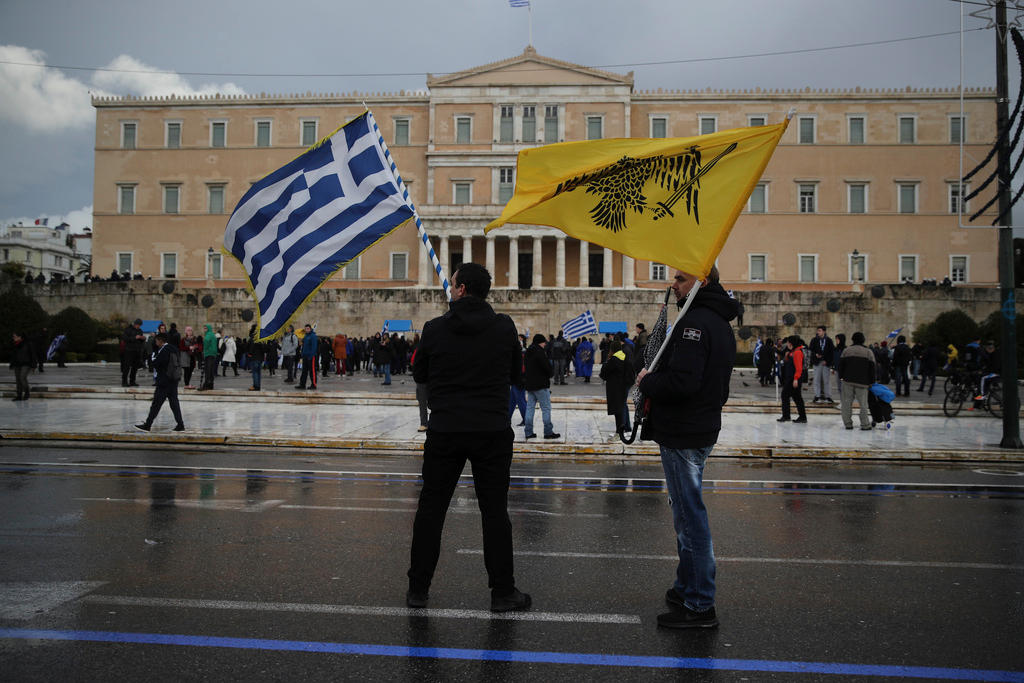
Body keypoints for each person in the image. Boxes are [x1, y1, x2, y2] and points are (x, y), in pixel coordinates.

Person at [407, 262, 530, 613]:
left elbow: (420, 372)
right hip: (490, 430)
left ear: (460, 289)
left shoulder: (434, 328)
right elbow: (515, 374)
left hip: (445, 429)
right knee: (494, 513)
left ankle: (418, 589)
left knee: (431, 510)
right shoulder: (504, 327)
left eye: (453, 283)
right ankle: (502, 592)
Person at [635, 266, 738, 629]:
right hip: (699, 427)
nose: (673, 284)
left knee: (690, 520)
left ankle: (699, 604)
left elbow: (682, 383)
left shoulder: (695, 325)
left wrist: (648, 382)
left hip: (684, 431)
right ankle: (685, 586)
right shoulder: (717, 321)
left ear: (702, 282)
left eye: (681, 279)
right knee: (684, 514)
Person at [134, 332, 185, 432]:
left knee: (156, 404)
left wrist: (154, 360)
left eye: (157, 340)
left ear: (161, 341)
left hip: (164, 381)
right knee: (174, 403)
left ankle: (148, 425)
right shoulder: (173, 348)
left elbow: (157, 364)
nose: (156, 342)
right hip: (173, 380)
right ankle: (180, 424)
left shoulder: (164, 350)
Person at [523, 333, 560, 439]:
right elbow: (547, 367)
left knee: (530, 408)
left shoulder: (528, 352)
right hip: (541, 385)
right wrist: (551, 373)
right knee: (546, 408)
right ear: (540, 342)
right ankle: (548, 432)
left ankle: (528, 432)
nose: (545, 344)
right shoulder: (540, 352)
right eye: (544, 342)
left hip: (530, 385)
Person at [837, 331, 876, 430]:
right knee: (863, 405)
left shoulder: (846, 351)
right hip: (862, 382)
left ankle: (848, 423)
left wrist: (841, 377)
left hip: (847, 381)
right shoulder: (868, 352)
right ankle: (865, 424)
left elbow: (840, 366)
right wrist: (871, 381)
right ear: (863, 340)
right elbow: (872, 368)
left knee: (846, 403)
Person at [599, 338, 634, 434]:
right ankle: (626, 427)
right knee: (623, 406)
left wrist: (606, 362)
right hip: (623, 387)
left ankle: (620, 432)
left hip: (615, 389)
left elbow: (603, 374)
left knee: (618, 410)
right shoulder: (625, 357)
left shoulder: (613, 360)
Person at [778, 336, 807, 423]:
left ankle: (787, 416)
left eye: (788, 342)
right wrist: (787, 356)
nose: (787, 344)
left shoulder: (797, 352)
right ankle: (802, 417)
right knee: (797, 397)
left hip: (793, 379)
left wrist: (796, 379)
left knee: (785, 395)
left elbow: (798, 368)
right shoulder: (793, 352)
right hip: (791, 378)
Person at [808, 326, 835, 404]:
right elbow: (810, 350)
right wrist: (815, 355)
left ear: (824, 331)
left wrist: (827, 360)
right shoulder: (814, 340)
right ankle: (817, 396)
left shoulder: (829, 340)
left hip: (825, 363)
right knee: (816, 379)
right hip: (817, 362)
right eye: (817, 331)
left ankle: (828, 396)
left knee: (826, 380)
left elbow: (831, 352)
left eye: (819, 331)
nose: (818, 332)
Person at [10, 331, 37, 401]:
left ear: (20, 337)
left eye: (15, 337)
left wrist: (34, 365)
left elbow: (33, 354)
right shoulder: (15, 344)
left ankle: (27, 392)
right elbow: (13, 355)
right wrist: (12, 364)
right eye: (13, 337)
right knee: (18, 380)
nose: (13, 338)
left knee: (22, 378)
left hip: (26, 364)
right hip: (17, 364)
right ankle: (19, 395)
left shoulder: (28, 343)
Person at [121, 319, 145, 387]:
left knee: (135, 368)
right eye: (138, 325)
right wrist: (134, 338)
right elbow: (125, 338)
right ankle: (124, 382)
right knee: (127, 367)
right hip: (129, 351)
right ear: (135, 324)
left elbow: (141, 341)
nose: (138, 326)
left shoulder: (140, 331)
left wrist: (142, 338)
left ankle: (132, 381)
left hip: (137, 351)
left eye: (140, 325)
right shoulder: (128, 330)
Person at [296, 324, 318, 390]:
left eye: (308, 328)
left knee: (312, 371)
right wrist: (302, 354)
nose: (307, 330)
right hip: (305, 356)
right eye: (306, 329)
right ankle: (302, 384)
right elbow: (304, 346)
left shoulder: (313, 336)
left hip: (311, 357)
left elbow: (314, 347)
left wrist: (311, 356)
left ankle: (314, 385)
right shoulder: (305, 336)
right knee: (304, 371)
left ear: (310, 329)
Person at [247, 325, 265, 391]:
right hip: (260, 357)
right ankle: (258, 385)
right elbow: (264, 348)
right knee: (258, 372)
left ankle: (256, 386)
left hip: (254, 357)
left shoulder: (253, 337)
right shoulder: (261, 337)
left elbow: (251, 346)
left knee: (255, 372)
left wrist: (250, 353)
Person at [200, 324, 218, 390]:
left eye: (205, 328)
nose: (204, 330)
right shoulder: (213, 335)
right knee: (211, 370)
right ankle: (211, 384)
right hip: (213, 354)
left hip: (208, 353)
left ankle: (206, 384)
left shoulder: (208, 335)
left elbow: (206, 341)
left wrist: (205, 350)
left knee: (208, 370)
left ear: (208, 329)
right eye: (204, 328)